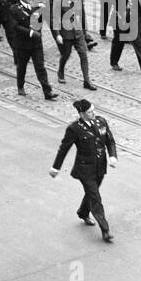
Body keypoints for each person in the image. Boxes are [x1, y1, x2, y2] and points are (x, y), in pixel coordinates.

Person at [50, 97, 117, 243]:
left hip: (100, 166)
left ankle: (83, 212)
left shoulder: (101, 121)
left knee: (92, 193)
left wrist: (112, 156)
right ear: (82, 114)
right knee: (95, 197)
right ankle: (105, 230)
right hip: (85, 169)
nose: (93, 114)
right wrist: (55, 167)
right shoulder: (74, 129)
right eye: (89, 112)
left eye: (93, 110)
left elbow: (110, 141)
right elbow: (64, 149)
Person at [9, 0, 58, 99]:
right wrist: (30, 32)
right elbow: (15, 26)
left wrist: (57, 35)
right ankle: (20, 86)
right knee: (22, 67)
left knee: (40, 67)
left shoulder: (37, 8)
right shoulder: (14, 9)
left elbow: (49, 21)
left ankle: (47, 92)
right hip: (22, 44)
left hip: (36, 44)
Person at [54, 0, 97, 91]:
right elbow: (56, 18)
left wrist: (85, 32)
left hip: (78, 33)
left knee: (83, 55)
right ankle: (60, 71)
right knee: (66, 55)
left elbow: (82, 15)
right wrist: (57, 34)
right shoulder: (59, 0)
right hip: (66, 34)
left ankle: (87, 81)